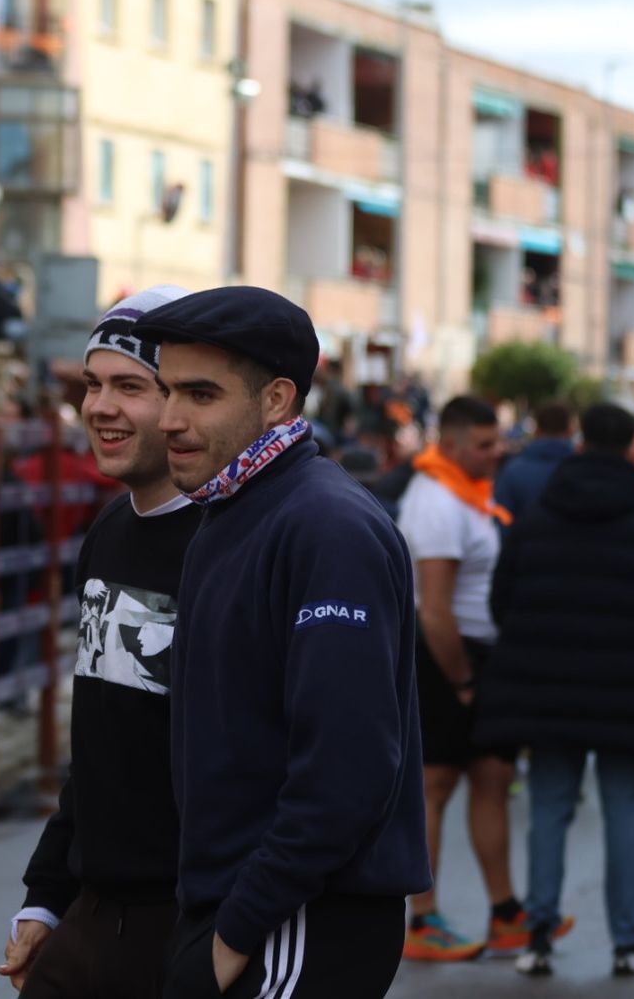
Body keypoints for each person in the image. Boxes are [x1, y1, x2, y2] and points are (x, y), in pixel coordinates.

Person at [130, 286, 429, 998]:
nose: (169, 419)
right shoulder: (233, 510)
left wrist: (236, 932)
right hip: (248, 910)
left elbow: (348, 766)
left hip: (294, 920)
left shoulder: (326, 526)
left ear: (276, 400)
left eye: (201, 394)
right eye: (167, 391)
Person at [0, 285, 203, 998]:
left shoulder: (229, 544)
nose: (99, 407)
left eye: (130, 386)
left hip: (190, 917)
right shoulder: (110, 530)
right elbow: (99, 744)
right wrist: (45, 897)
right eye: (93, 383)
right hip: (92, 909)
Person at [477, 403, 634, 978]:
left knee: (549, 809)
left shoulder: (539, 518)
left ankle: (539, 936)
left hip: (548, 690)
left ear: (579, 442)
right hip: (627, 688)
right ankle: (628, 942)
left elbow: (502, 601)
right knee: (625, 812)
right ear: (632, 446)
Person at [397, 396, 549, 961]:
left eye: (497, 441)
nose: (496, 453)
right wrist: (461, 680)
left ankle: (506, 914)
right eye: (485, 445)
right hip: (448, 657)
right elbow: (435, 610)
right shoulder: (437, 501)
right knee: (435, 786)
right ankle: (423, 919)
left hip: (480, 655)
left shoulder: (469, 492)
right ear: (452, 444)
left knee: (492, 777)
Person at [493, 401, 574, 521]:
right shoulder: (583, 469)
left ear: (537, 430)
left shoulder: (513, 471)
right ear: (570, 430)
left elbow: (500, 517)